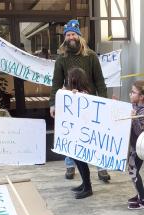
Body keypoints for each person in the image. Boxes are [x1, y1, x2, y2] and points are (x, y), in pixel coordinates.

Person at [49, 19, 111, 183]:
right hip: (71, 104)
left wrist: (103, 103)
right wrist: (53, 103)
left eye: (73, 34)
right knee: (71, 135)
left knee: (95, 135)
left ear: (79, 36)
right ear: (65, 37)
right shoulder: (61, 58)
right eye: (68, 34)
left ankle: (101, 167)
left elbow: (100, 82)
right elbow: (56, 82)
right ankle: (70, 165)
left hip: (90, 102)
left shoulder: (91, 57)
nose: (71, 37)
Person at [65, 67, 94, 199]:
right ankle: (85, 183)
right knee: (77, 159)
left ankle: (88, 187)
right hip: (76, 131)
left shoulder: (84, 94)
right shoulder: (75, 93)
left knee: (81, 160)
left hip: (82, 133)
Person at [127, 80, 144, 209]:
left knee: (134, 172)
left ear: (141, 97)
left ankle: (143, 200)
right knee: (132, 171)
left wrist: (133, 119)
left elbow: (139, 131)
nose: (130, 94)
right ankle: (140, 194)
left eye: (133, 92)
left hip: (139, 147)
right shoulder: (136, 107)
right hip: (134, 146)